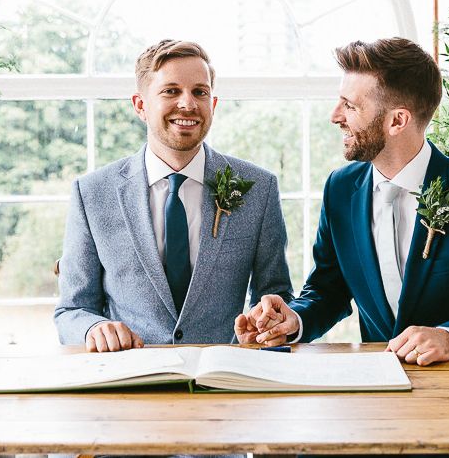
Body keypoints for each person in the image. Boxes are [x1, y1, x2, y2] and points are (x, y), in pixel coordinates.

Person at [235, 36, 449, 362]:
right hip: (377, 391)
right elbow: (327, 289)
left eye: (350, 106)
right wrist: (294, 320)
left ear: (397, 121)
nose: (335, 116)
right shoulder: (340, 189)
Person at [54, 39, 292, 352]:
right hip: (130, 380)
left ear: (213, 104)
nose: (188, 104)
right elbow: (71, 311)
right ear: (140, 105)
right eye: (171, 91)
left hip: (227, 380)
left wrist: (268, 323)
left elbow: (278, 297)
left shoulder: (258, 188)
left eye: (199, 92)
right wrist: (93, 328)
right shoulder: (92, 194)